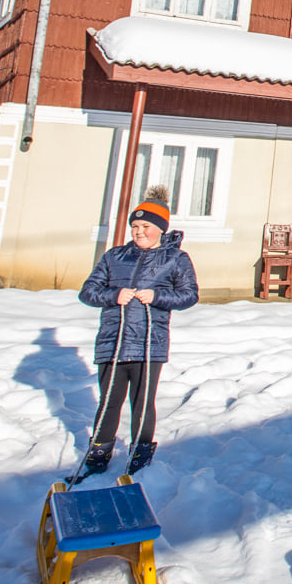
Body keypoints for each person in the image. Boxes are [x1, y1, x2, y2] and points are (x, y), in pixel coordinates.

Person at [76, 196, 199, 475]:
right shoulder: (114, 256)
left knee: (142, 403)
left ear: (160, 228)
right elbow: (87, 292)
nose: (139, 231)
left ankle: (140, 461)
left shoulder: (176, 259)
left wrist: (157, 296)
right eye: (135, 226)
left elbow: (189, 295)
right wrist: (113, 294)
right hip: (113, 342)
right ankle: (97, 457)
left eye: (146, 226)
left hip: (148, 345)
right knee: (109, 402)